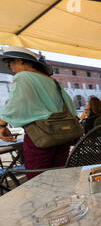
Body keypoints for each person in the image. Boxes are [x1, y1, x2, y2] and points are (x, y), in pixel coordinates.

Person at [0, 46, 78, 179]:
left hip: (41, 136)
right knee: (60, 176)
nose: (11, 68)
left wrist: (1, 125)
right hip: (64, 135)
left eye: (10, 63)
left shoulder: (23, 76)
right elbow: (71, 109)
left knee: (38, 179)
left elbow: (16, 102)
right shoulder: (52, 81)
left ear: (20, 61)